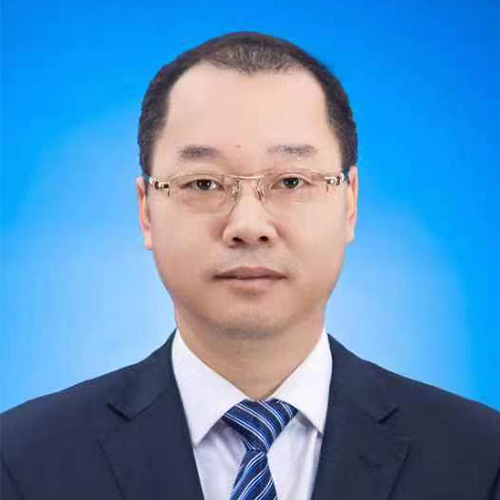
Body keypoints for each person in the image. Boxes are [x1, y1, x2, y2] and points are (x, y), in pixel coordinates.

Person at [1, 31, 499, 500]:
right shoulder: (22, 462)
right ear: (146, 211)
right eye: (203, 183)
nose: (248, 225)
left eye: (290, 182)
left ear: (349, 203)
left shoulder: (481, 460)